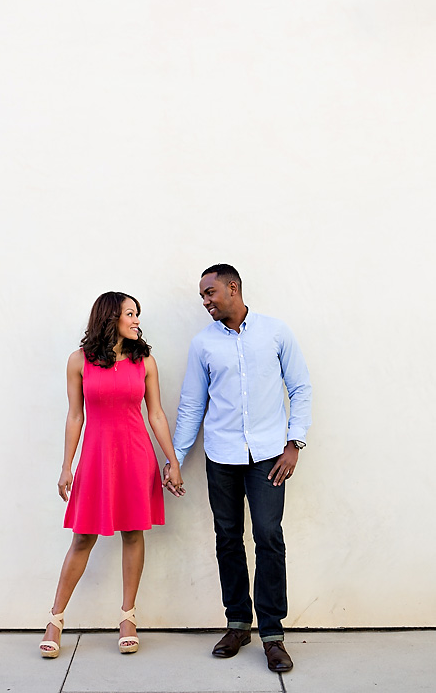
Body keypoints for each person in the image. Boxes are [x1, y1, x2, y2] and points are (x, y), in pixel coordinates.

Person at [164, 264, 311, 673]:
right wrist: (175, 459)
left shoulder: (276, 332)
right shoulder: (203, 345)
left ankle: (273, 633)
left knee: (268, 535)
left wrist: (294, 443)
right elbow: (193, 404)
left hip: (268, 455)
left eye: (210, 293)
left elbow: (300, 387)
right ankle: (237, 623)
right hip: (222, 457)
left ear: (233, 288)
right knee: (227, 537)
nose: (206, 301)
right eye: (201, 296)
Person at [40, 291, 185, 658]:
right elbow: (76, 416)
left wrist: (173, 461)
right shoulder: (79, 361)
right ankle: (55, 620)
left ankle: (128, 617)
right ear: (110, 318)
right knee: (83, 537)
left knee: (133, 533)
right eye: (130, 314)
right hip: (97, 458)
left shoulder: (145, 360)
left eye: (138, 314)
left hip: (136, 457)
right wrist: (66, 466)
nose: (137, 320)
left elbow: (156, 415)